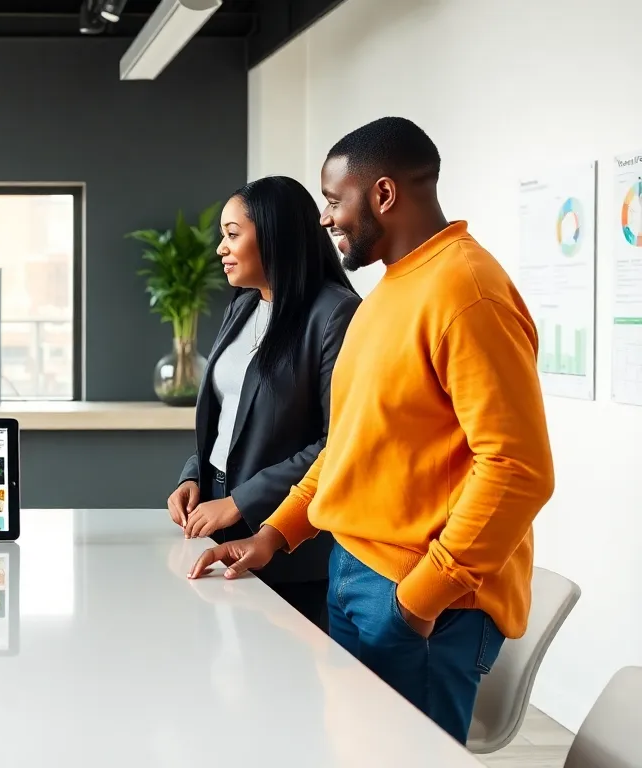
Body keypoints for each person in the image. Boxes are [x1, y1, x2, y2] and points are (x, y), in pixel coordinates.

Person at [189, 117, 555, 744]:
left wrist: (420, 599)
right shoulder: (390, 290)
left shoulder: (467, 291)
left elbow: (518, 470)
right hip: (352, 571)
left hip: (419, 599)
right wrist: (277, 533)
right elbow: (350, 445)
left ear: (383, 194)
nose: (324, 217)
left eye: (333, 199)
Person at [168, 176, 360, 631]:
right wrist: (194, 475)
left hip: (285, 535)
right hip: (214, 514)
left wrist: (240, 501)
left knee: (281, 677)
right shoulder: (244, 306)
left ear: (274, 236)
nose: (220, 248)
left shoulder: (335, 314)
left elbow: (337, 442)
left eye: (232, 234)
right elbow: (227, 415)